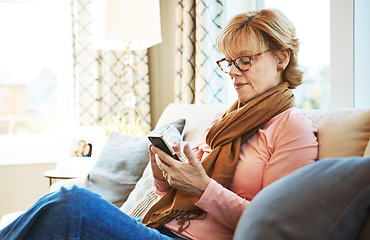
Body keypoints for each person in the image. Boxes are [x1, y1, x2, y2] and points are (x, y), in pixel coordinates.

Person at [0, 9, 318, 240]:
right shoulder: (227, 120)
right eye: (228, 62)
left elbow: (274, 226)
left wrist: (203, 187)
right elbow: (177, 196)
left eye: (244, 60)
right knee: (64, 204)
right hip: (164, 229)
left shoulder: (292, 128)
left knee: (72, 203)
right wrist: (163, 175)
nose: (233, 71)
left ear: (282, 58)